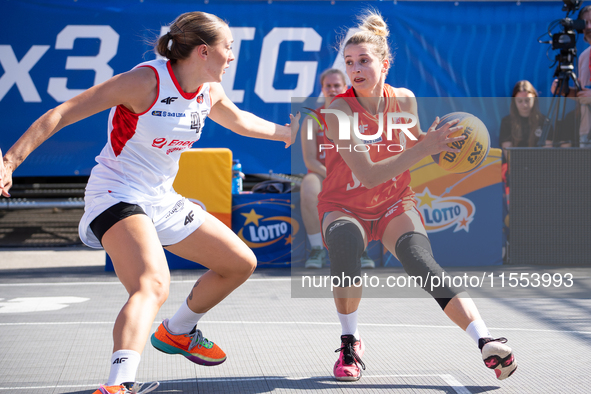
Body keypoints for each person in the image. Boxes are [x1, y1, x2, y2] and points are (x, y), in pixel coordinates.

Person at [0, 11, 299, 394]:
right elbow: (61, 114)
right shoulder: (145, 81)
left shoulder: (208, 90)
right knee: (152, 283)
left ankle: (177, 332)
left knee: (240, 263)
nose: (233, 56)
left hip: (161, 198)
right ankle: (118, 383)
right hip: (116, 192)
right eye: (230, 48)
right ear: (204, 51)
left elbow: (240, 120)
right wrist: (10, 162)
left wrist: (287, 133)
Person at [317, 10, 517, 382]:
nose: (355, 69)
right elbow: (369, 174)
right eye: (349, 63)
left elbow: (418, 147)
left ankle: (486, 341)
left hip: (393, 203)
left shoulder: (404, 100)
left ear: (384, 64)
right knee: (345, 245)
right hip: (344, 204)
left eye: (364, 61)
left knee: (419, 260)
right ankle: (350, 340)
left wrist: (450, 150)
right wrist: (426, 146)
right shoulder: (338, 111)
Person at [300, 68, 375, 269]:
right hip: (321, 174)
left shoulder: (358, 117)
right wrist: (333, 177)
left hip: (352, 172)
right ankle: (317, 250)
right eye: (328, 86)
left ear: (345, 87)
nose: (332, 89)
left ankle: (360, 250)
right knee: (308, 187)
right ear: (322, 89)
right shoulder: (312, 120)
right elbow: (310, 161)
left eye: (337, 86)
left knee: (362, 182)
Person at [551, 5, 591, 147]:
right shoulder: (584, 57)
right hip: (586, 133)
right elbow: (583, 95)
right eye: (585, 23)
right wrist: (565, 91)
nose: (589, 27)